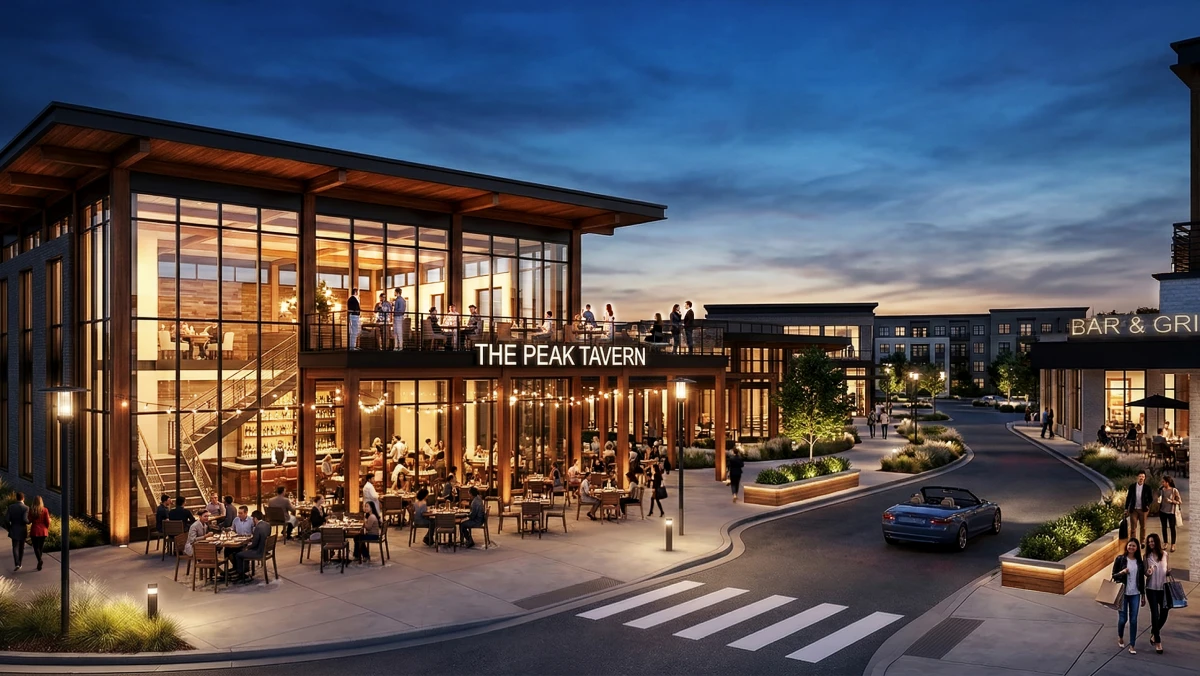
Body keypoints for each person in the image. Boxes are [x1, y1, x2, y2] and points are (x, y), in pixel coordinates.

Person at [1112, 538, 1147, 654]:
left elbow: (1141, 579)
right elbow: (1114, 576)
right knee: (1123, 619)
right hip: (1123, 593)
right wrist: (1122, 572)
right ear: (1127, 546)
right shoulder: (1120, 559)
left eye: (1134, 546)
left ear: (1137, 548)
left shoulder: (1139, 562)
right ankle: (1120, 636)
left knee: (1133, 620)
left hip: (1135, 593)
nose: (1131, 547)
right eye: (1129, 545)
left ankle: (1132, 645)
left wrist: (1143, 595)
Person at [1144, 533, 1171, 654]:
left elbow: (1165, 570)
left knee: (1164, 612)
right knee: (1155, 614)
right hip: (1151, 589)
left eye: (1153, 541)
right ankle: (1158, 641)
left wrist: (1168, 572)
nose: (1151, 543)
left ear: (1157, 542)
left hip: (1163, 588)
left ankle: (1154, 632)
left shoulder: (1165, 555)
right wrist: (1149, 572)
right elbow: (1145, 573)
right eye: (1149, 542)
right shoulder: (1146, 556)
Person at [234, 510, 271, 583]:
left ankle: (241, 574)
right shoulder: (267, 525)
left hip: (259, 551)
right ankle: (245, 570)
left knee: (238, 554)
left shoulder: (258, 527)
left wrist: (248, 547)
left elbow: (255, 543)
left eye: (253, 519)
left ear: (255, 518)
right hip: (265, 549)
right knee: (243, 551)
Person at [1124, 470, 1153, 545]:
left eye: (1143, 477)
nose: (1141, 478)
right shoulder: (1132, 487)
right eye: (1140, 476)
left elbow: (1151, 499)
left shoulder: (1147, 487)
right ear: (1137, 477)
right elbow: (1129, 498)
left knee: (1143, 526)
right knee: (1133, 527)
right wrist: (1126, 508)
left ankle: (1142, 541)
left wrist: (1147, 505)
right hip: (1134, 509)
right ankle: (1133, 541)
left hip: (1143, 509)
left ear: (1145, 478)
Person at [6, 492, 28, 572]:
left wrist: (9, 528)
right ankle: (20, 563)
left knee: (15, 547)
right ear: (23, 498)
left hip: (14, 529)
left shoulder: (11, 507)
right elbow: (25, 519)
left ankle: (17, 563)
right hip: (22, 530)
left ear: (16, 498)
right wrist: (29, 522)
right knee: (21, 547)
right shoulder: (26, 508)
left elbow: (7, 520)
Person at [1158, 476, 1181, 552]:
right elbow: (1159, 498)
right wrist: (1159, 499)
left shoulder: (1174, 490)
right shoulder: (1161, 490)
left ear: (1167, 482)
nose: (1162, 483)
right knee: (1164, 527)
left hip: (1171, 512)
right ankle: (1165, 542)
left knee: (1172, 528)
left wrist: (1171, 501)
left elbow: (1179, 502)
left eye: (1163, 482)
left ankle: (1173, 544)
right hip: (1162, 511)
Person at [28, 496, 50, 571]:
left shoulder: (31, 510)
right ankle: (39, 562)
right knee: (40, 547)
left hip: (35, 530)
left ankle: (39, 561)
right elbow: (47, 522)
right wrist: (46, 528)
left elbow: (29, 520)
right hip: (43, 531)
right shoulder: (45, 510)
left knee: (36, 547)